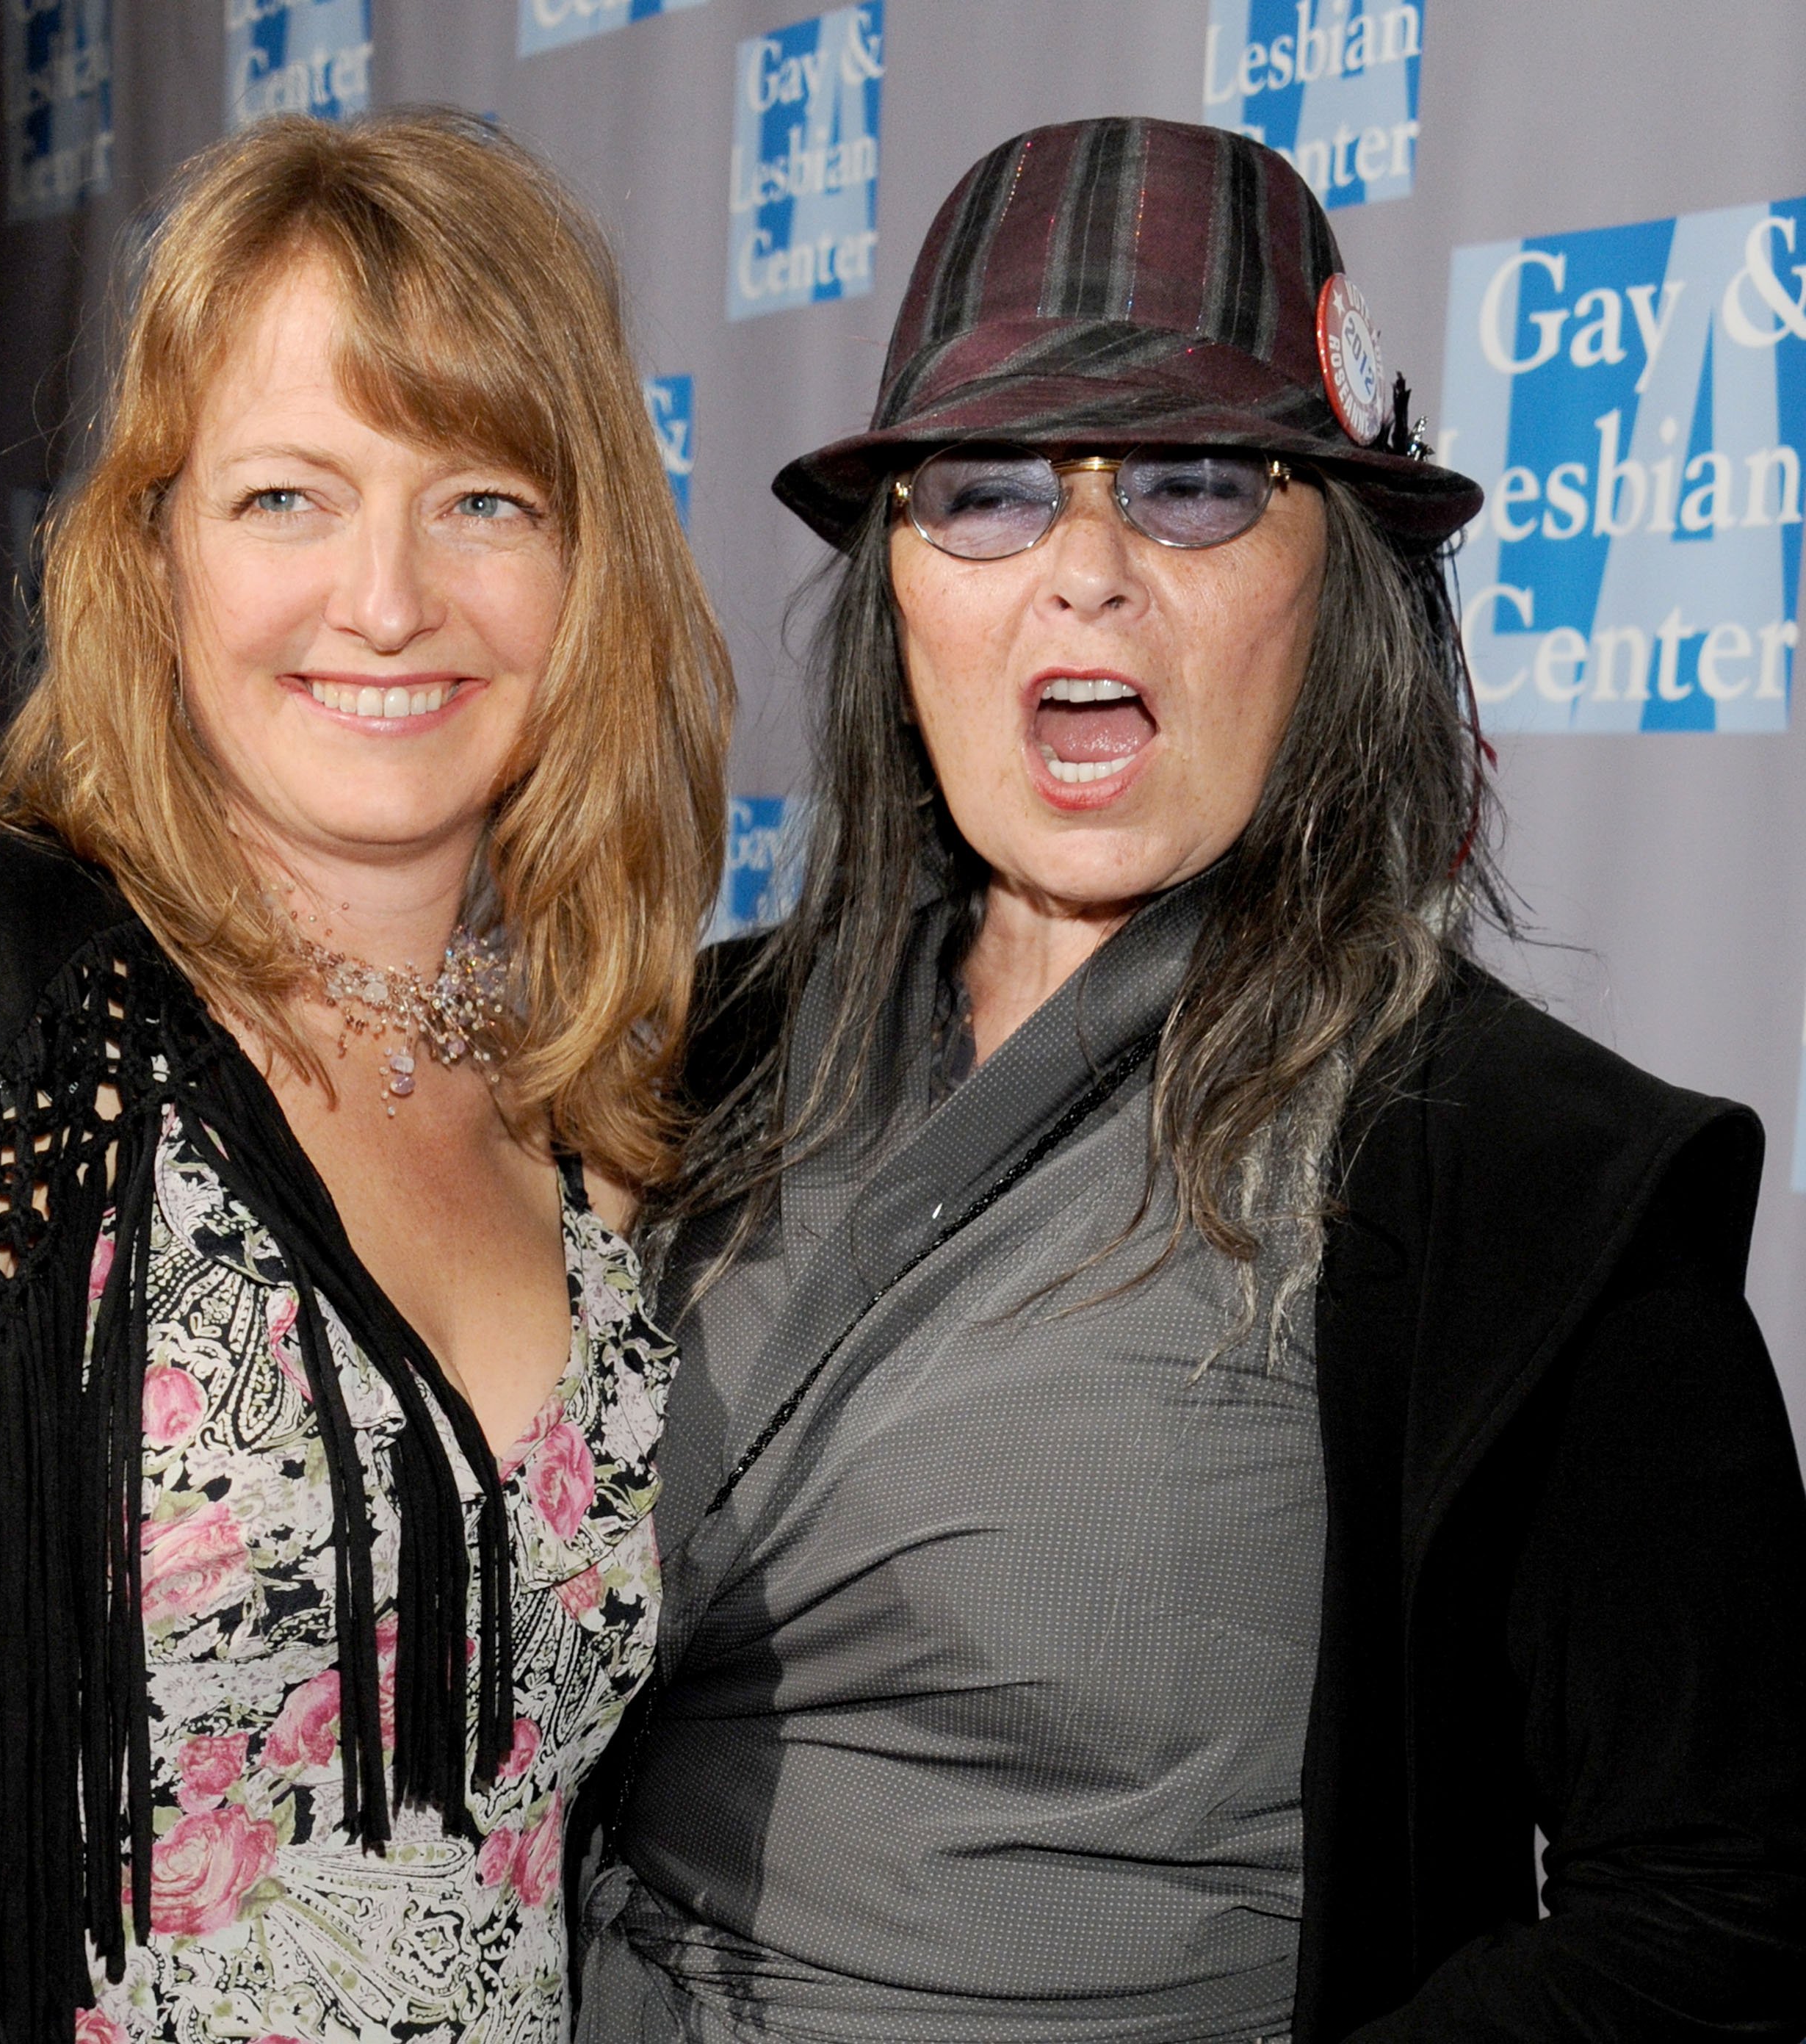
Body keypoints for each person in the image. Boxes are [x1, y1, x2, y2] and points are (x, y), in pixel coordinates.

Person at [578, 117, 1806, 2042]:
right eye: (986, 495)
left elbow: (1725, 1901)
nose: (1084, 574)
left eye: (1192, 488)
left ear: (1342, 592)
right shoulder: (681, 1057)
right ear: (900, 587)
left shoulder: (1530, 1184)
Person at [0, 110, 729, 2044]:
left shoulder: (616, 1119)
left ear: (589, 568)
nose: (388, 598)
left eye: (483, 500)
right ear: (157, 551)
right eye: (288, 497)